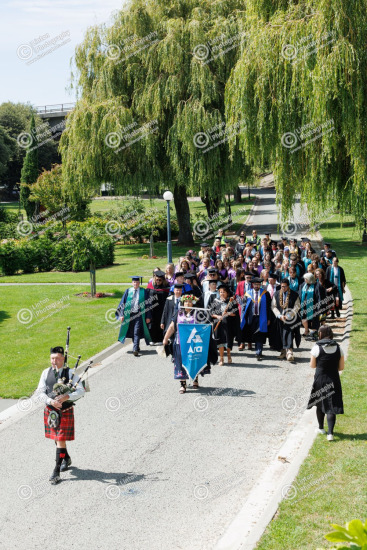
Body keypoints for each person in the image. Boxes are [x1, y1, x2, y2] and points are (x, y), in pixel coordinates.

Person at [36, 346, 85, 484]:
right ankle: (66, 457)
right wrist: (50, 400)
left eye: (57, 358)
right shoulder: (46, 373)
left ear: (63, 358)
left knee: (61, 438)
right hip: (51, 411)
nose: (54, 361)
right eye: (52, 358)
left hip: (65, 411)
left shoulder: (71, 373)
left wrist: (67, 396)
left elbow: (81, 391)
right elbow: (40, 392)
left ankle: (56, 471)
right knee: (57, 439)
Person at [162, 295, 215, 393]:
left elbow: (204, 327)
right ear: (183, 303)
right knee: (181, 362)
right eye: (186, 302)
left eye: (190, 302)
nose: (188, 304)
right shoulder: (178, 313)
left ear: (193, 303)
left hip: (194, 343)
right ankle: (183, 384)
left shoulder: (198, 313)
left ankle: (195, 378)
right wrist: (166, 338)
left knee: (194, 360)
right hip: (180, 343)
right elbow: (172, 327)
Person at [307, 325, 344, 441]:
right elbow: (341, 367)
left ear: (320, 334)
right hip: (334, 379)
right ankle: (330, 434)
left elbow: (312, 365)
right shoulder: (339, 348)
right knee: (331, 406)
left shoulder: (316, 348)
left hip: (320, 379)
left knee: (320, 404)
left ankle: (321, 428)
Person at [116, 276, 152, 356]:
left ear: (139, 283)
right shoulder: (128, 291)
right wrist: (121, 314)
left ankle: (135, 349)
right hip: (129, 314)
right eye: (134, 282)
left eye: (137, 282)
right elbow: (123, 303)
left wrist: (148, 316)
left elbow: (148, 304)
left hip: (139, 314)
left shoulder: (143, 291)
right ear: (132, 283)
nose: (135, 283)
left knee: (137, 331)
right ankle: (137, 346)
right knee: (132, 331)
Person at [239, 277, 271, 361]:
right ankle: (253, 347)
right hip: (250, 317)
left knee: (259, 334)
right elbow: (243, 306)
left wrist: (269, 318)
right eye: (255, 284)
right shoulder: (248, 293)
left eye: (258, 284)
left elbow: (268, 307)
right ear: (252, 284)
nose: (256, 286)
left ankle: (258, 351)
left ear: (260, 285)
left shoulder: (265, 293)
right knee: (252, 333)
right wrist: (242, 317)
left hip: (261, 317)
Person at [271, 278, 301, 362]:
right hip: (280, 318)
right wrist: (279, 315)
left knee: (289, 334)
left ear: (288, 286)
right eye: (281, 286)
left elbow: (297, 306)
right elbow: (273, 306)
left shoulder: (294, 295)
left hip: (291, 319)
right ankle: (283, 352)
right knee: (280, 334)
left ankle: (290, 352)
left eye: (284, 286)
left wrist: (289, 315)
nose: (282, 288)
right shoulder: (276, 294)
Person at [210, 284, 239, 365]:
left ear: (227, 293)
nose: (222, 293)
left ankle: (229, 356)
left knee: (228, 341)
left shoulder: (231, 301)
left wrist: (228, 313)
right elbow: (211, 313)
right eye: (220, 292)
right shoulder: (216, 301)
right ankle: (221, 358)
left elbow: (235, 313)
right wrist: (217, 316)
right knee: (220, 341)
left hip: (228, 325)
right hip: (218, 324)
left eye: (224, 292)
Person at [299, 272, 325, 341]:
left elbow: (320, 297)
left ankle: (315, 336)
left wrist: (319, 307)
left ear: (310, 279)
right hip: (303, 306)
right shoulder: (303, 285)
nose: (305, 280)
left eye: (306, 279)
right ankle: (307, 331)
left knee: (315, 322)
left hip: (314, 307)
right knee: (303, 319)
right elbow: (300, 295)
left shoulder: (317, 285)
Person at [147, 270, 170, 344]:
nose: (158, 281)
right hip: (152, 308)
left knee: (161, 323)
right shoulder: (150, 285)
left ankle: (160, 339)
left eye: (160, 280)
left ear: (163, 279)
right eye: (157, 279)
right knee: (152, 323)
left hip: (162, 308)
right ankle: (152, 339)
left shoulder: (166, 286)